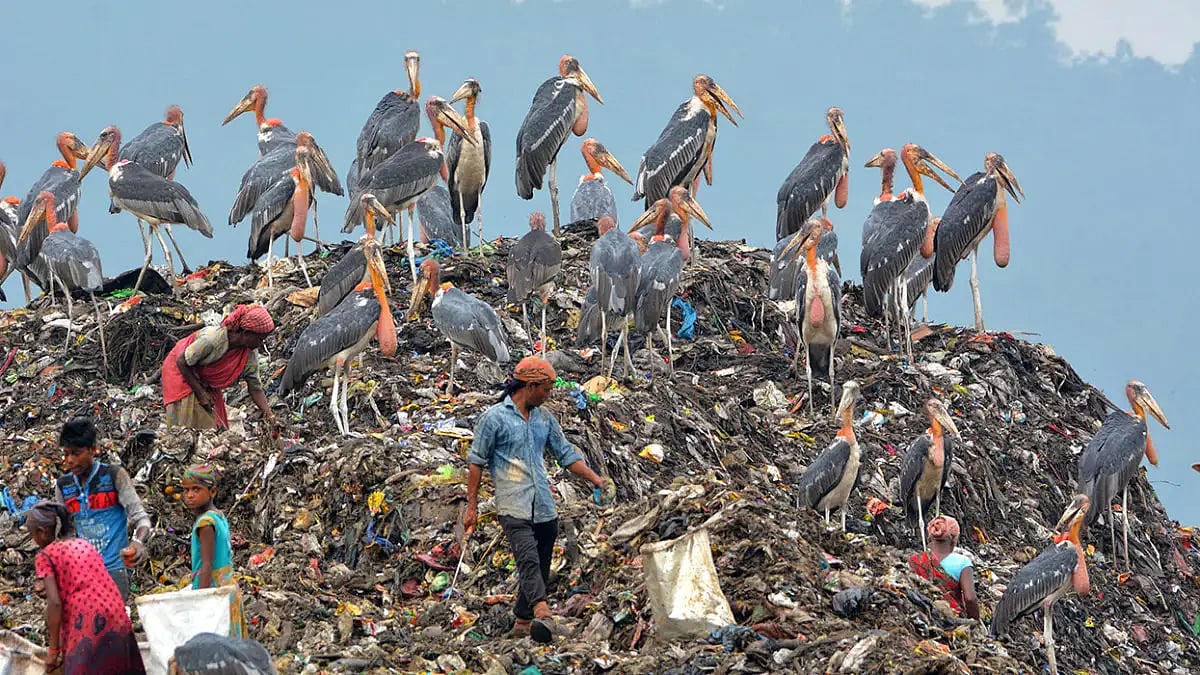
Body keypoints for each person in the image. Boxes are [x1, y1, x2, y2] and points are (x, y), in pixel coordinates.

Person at [463, 356, 613, 644]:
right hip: (512, 503)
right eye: (545, 389)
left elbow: (566, 455)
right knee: (528, 558)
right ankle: (542, 612)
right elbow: (476, 463)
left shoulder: (545, 419)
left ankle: (522, 621)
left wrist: (596, 479)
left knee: (542, 558)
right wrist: (471, 508)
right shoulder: (494, 418)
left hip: (543, 503)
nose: (548, 395)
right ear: (530, 386)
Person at [25, 500, 147, 674]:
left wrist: (53, 651)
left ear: (42, 532)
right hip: (116, 616)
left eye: (32, 535)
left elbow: (55, 604)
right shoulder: (83, 544)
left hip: (87, 624)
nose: (34, 540)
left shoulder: (46, 556)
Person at [53, 417, 152, 602]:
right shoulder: (63, 486)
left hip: (115, 569)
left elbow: (141, 519)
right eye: (66, 454)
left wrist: (137, 542)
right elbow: (65, 532)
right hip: (82, 572)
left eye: (76, 453)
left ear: (93, 449)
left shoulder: (113, 476)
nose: (70, 460)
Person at [161, 304, 276, 433]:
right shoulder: (213, 339)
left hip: (205, 380)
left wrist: (269, 415)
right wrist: (201, 392)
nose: (261, 344)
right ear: (245, 333)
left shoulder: (249, 354)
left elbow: (255, 387)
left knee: (217, 428)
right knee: (192, 427)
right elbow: (182, 361)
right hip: (182, 372)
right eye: (260, 339)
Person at [182, 463, 246, 638]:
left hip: (214, 591)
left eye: (196, 489)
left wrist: (201, 599)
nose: (190, 495)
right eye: (186, 490)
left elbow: (207, 563)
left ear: (212, 492)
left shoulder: (206, 523)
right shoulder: (218, 516)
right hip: (226, 587)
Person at [908, 515, 981, 620]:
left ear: (930, 536)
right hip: (952, 618)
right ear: (954, 538)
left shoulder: (916, 560)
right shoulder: (962, 562)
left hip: (922, 616)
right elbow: (970, 598)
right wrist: (975, 621)